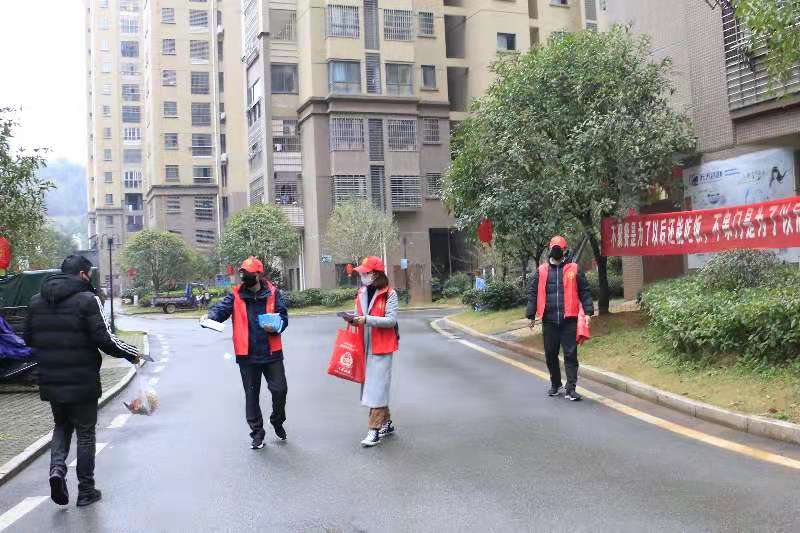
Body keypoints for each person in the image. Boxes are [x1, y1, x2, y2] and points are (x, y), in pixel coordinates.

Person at [25, 255, 141, 507]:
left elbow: (28, 339)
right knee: (85, 433)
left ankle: (57, 470)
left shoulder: (36, 301)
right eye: (89, 274)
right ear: (82, 274)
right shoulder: (88, 300)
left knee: (61, 425)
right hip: (82, 379)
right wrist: (132, 353)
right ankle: (86, 490)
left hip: (50, 378)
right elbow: (105, 339)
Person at [206, 257, 289, 450]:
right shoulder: (236, 295)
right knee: (251, 395)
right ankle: (257, 434)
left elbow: (283, 317)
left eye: (248, 273)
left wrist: (276, 327)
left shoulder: (273, 293)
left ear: (258, 274)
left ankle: (277, 420)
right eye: (242, 273)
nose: (244, 276)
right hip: (247, 355)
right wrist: (210, 317)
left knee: (280, 391)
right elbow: (221, 310)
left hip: (271, 352)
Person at [526, 236, 594, 401]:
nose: (556, 251)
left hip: (569, 319)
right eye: (554, 248)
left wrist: (588, 312)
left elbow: (584, 291)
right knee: (550, 354)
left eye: (559, 248)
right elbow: (533, 293)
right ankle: (556, 384)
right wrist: (530, 315)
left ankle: (571, 389)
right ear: (550, 249)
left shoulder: (574, 269)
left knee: (570, 355)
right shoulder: (541, 271)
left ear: (565, 250)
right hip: (549, 320)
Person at [342, 256, 399, 447]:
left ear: (376, 273)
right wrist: (353, 319)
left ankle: (373, 430)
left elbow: (391, 320)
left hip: (382, 347)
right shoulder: (361, 292)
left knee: (376, 387)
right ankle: (386, 423)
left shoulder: (390, 294)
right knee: (376, 387)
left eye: (366, 273)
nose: (362, 276)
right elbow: (359, 315)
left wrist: (366, 319)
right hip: (364, 345)